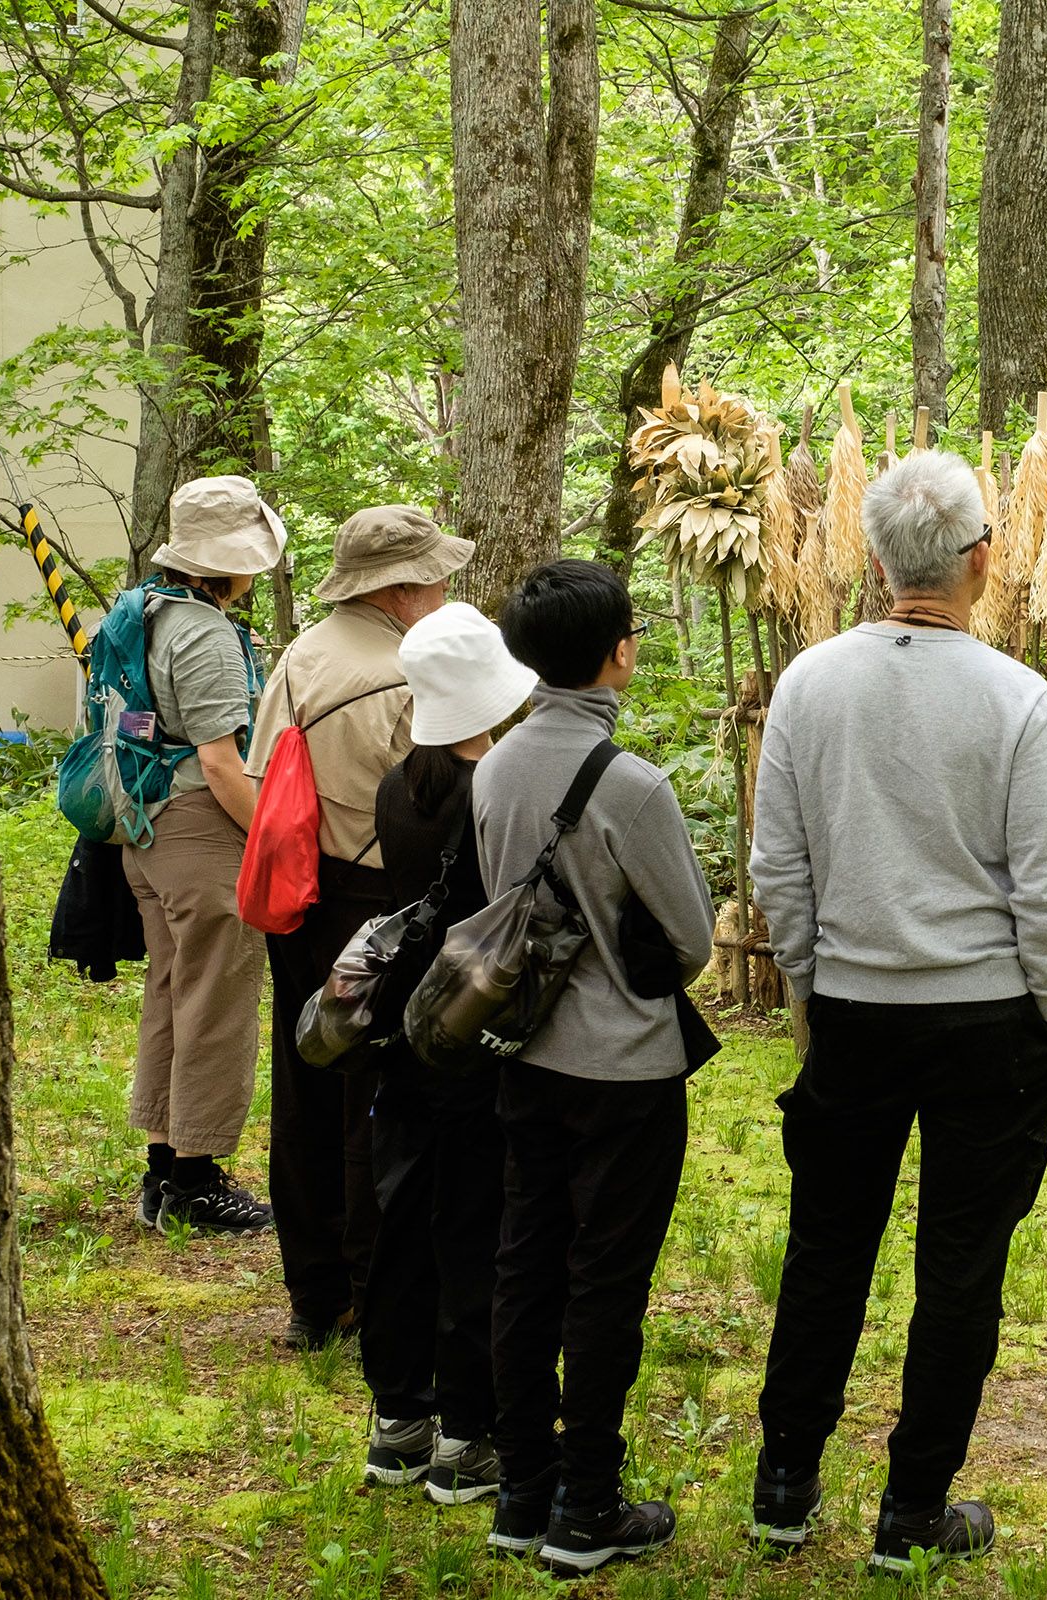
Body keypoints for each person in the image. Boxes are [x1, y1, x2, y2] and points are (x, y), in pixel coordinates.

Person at [745, 451, 1047, 1576]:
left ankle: (785, 1483)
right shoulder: (1014, 696)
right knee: (960, 1268)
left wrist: (811, 979)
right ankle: (911, 1508)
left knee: (827, 1246)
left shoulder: (810, 682)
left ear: (879, 558)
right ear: (981, 558)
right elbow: (1046, 884)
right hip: (989, 1019)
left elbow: (776, 866)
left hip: (853, 1007)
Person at [473, 559, 716, 1575]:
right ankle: (589, 1504)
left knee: (525, 1267)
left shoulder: (492, 766)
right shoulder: (631, 783)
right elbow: (694, 939)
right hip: (624, 1070)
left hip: (524, 1053)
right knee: (605, 1284)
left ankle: (522, 1489)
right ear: (619, 651)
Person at [247, 503, 474, 1351]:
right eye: (438, 574)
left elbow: (260, 771)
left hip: (302, 889)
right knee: (372, 1098)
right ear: (404, 588)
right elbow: (437, 798)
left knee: (306, 1079)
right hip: (377, 900)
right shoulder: (406, 671)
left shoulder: (302, 653)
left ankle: (314, 1291)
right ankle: (372, 1284)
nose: (446, 585)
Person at [357, 603, 537, 1506]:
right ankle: (470, 1432)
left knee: (402, 1219)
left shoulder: (400, 786)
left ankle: (399, 1419)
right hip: (472, 1033)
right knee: (474, 1227)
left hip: (400, 1030)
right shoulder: (495, 789)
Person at [124, 476, 281, 1236]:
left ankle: (162, 1168)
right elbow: (222, 762)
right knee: (217, 1002)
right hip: (199, 827)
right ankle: (197, 1178)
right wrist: (271, 843)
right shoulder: (207, 633)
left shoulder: (146, 611)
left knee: (172, 992)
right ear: (230, 561)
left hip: (145, 828)